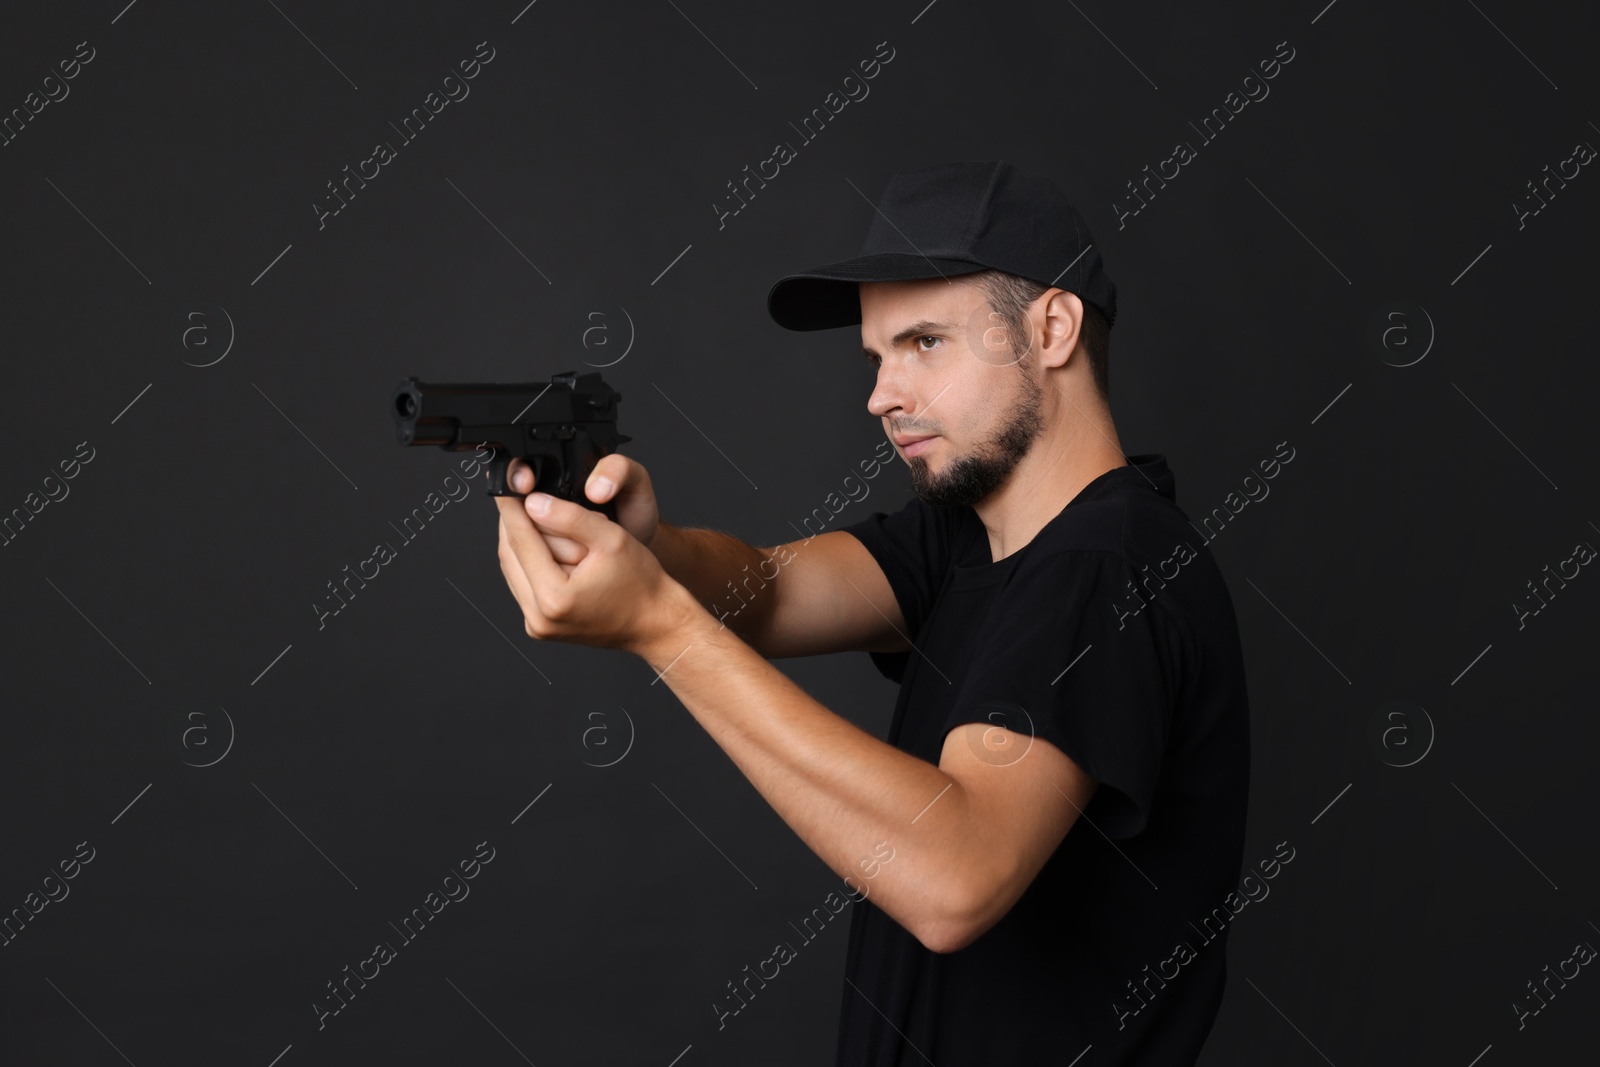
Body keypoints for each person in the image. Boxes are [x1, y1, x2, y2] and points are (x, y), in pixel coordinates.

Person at [493, 160, 1252, 1065]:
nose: (881, 396)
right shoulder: (971, 538)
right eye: (877, 355)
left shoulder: (1108, 566)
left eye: (924, 343)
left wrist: (658, 621)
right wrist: (655, 546)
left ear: (1052, 328)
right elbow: (767, 593)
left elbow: (954, 875)